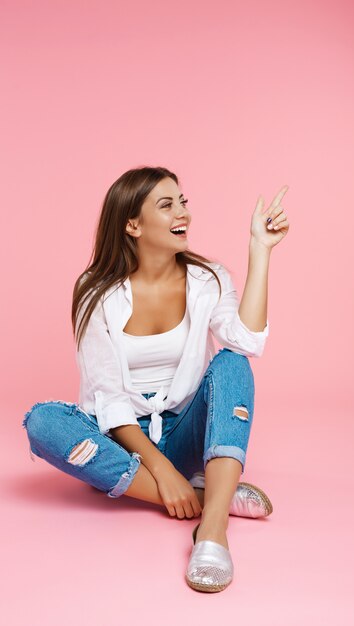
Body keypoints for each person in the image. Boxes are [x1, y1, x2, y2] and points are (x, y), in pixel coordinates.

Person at [22, 166, 290, 593]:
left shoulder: (209, 279)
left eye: (182, 201)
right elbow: (108, 399)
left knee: (233, 362)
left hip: (185, 432)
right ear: (132, 224)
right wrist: (162, 471)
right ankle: (207, 497)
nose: (182, 212)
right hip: (121, 440)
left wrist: (260, 250)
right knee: (42, 423)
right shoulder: (95, 291)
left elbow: (247, 340)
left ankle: (212, 531)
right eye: (166, 205)